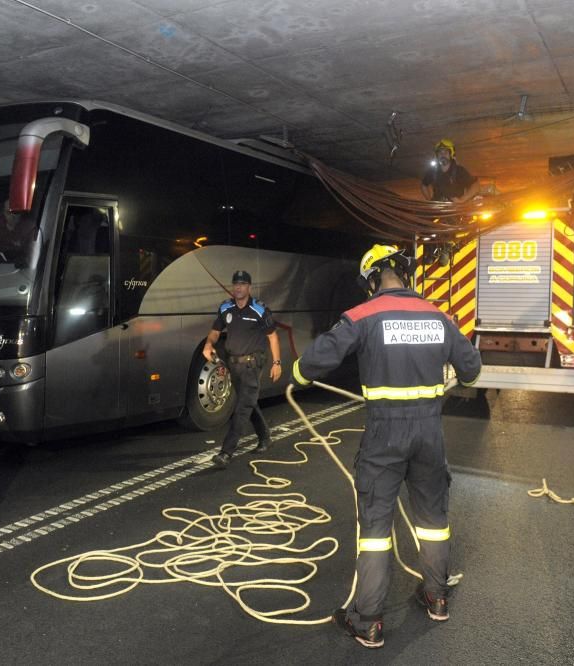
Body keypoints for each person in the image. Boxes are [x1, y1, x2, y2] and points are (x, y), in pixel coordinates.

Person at [292, 244, 481, 649]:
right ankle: (437, 596)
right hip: (430, 431)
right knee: (433, 519)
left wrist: (297, 375)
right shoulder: (438, 317)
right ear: (404, 274)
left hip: (384, 435)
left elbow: (310, 364)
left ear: (373, 279)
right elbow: (471, 370)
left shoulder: (363, 316)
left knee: (375, 529)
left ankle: (369, 620)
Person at [203, 270, 282, 469]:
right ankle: (265, 437)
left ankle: (226, 452)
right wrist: (208, 344)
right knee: (248, 402)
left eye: (242, 284)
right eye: (235, 284)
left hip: (252, 364)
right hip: (234, 364)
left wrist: (277, 363)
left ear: (249, 287)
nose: (238, 287)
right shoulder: (226, 308)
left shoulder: (259, 310)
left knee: (241, 408)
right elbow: (214, 331)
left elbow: (273, 337)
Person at [420, 138, 480, 204]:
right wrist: (430, 201)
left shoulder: (459, 171)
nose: (442, 155)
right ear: (437, 155)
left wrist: (462, 200)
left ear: (451, 154)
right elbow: (424, 185)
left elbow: (475, 186)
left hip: (455, 208)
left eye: (445, 152)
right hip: (438, 207)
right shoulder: (433, 171)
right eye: (440, 152)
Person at [0, 199, 36, 263]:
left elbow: (33, 249)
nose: (12, 216)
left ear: (21, 212)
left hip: (20, 260)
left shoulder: (29, 227)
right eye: (8, 213)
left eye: (15, 213)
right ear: (3, 212)